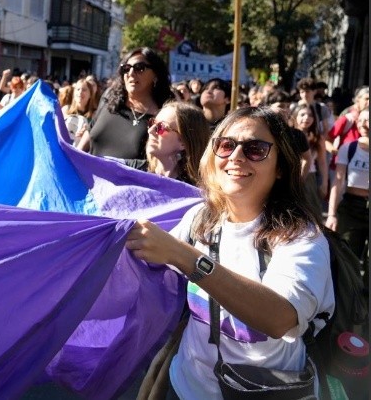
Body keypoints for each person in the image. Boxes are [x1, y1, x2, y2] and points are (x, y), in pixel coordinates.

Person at [127, 106, 334, 399]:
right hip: (184, 386)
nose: (236, 157)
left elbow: (280, 317)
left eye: (255, 149)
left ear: (280, 168)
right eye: (225, 145)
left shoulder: (301, 237)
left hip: (265, 391)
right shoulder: (199, 217)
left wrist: (187, 258)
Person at [77, 47, 173, 164]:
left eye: (139, 68)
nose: (131, 73)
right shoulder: (109, 98)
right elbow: (89, 132)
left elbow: (159, 163)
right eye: (126, 69)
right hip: (88, 178)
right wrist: (74, 159)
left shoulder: (165, 115)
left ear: (156, 75)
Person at [326, 109, 368, 281]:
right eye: (362, 120)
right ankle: (349, 300)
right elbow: (337, 181)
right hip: (351, 207)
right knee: (348, 257)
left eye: (369, 120)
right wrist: (331, 214)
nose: (364, 124)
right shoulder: (348, 148)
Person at [144, 101, 209, 185]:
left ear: (183, 142)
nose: (150, 131)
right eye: (152, 123)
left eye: (161, 127)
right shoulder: (133, 170)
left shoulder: (195, 191)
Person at [290, 103, 328, 216]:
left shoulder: (317, 137)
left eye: (310, 115)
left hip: (309, 178)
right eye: (302, 114)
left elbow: (322, 162)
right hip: (289, 177)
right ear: (295, 116)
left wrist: (324, 183)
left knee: (311, 213)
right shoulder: (288, 135)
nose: (306, 118)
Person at [63, 78, 98, 149]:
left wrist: (87, 133)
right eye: (78, 89)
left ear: (90, 94)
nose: (80, 92)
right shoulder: (65, 110)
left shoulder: (95, 114)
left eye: (84, 90)